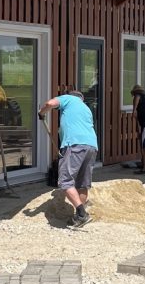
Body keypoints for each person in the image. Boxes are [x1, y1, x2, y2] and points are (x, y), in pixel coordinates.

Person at [38, 90, 99, 228]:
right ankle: (79, 216)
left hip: (75, 144)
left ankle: (82, 214)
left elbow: (49, 103)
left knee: (65, 181)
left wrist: (41, 113)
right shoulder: (86, 109)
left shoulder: (68, 98)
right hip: (92, 145)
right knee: (82, 183)